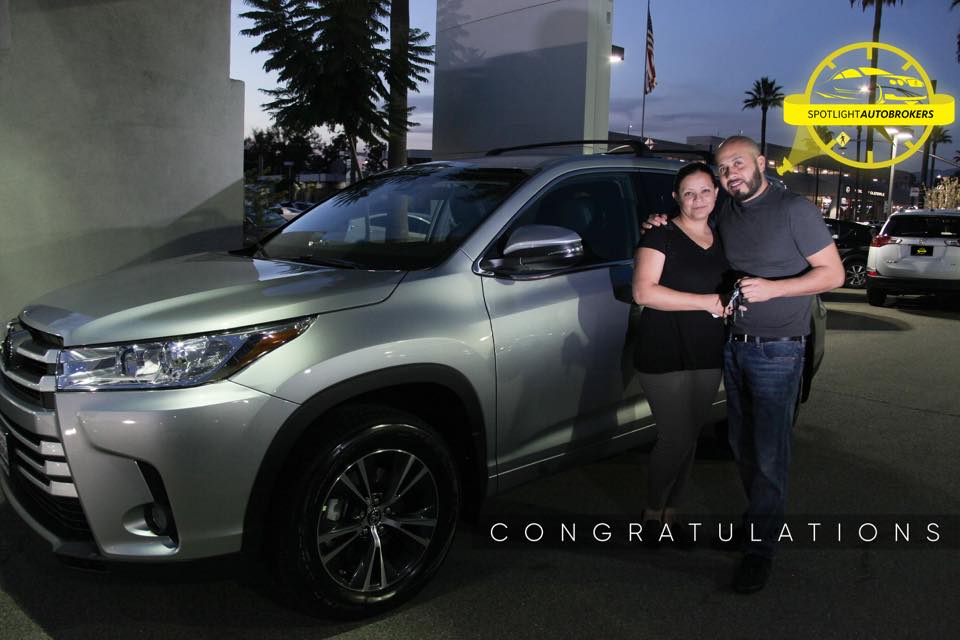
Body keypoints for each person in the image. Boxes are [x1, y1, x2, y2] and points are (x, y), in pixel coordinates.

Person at [645, 136, 845, 592]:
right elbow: (688, 227)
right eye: (723, 168)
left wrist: (775, 288)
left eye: (738, 163)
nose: (731, 173)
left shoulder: (794, 210)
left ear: (760, 162)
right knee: (742, 444)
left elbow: (834, 274)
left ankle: (760, 550)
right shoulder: (726, 212)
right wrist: (657, 222)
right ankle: (758, 521)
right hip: (734, 345)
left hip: (779, 349)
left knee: (770, 453)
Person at [632, 162, 729, 549]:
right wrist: (706, 302)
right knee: (675, 437)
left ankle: (673, 510)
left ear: (716, 193)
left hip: (708, 351)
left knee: (690, 438)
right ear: (676, 197)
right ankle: (652, 510)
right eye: (689, 193)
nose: (698, 199)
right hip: (663, 350)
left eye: (705, 191)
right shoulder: (660, 235)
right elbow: (644, 292)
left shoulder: (722, 237)